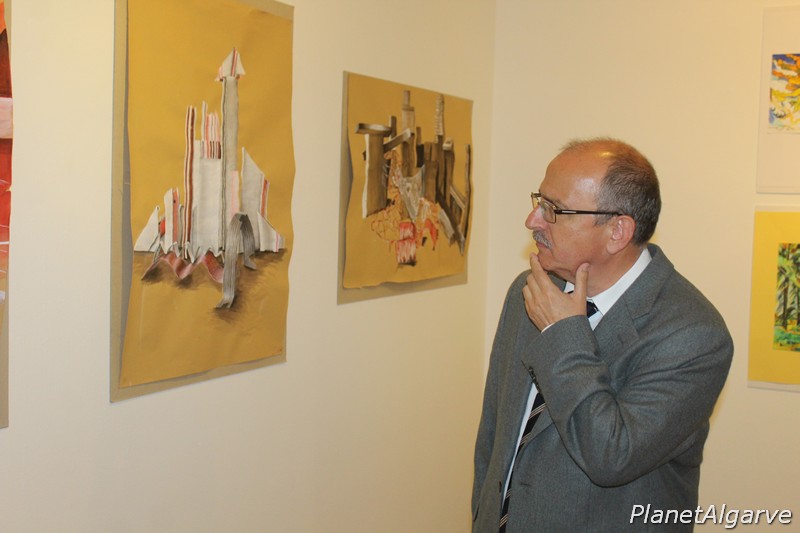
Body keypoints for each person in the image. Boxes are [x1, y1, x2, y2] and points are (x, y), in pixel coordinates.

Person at [472, 138, 733, 532]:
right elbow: (495, 432)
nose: (532, 221)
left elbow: (611, 455)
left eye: (553, 209)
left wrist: (562, 333)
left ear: (617, 231)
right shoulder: (530, 290)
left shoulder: (694, 334)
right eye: (538, 201)